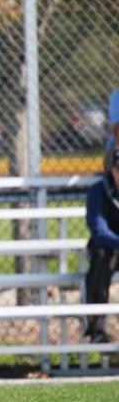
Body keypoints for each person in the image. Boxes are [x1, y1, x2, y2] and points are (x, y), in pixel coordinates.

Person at [84, 147, 119, 343]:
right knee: (101, 256)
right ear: (111, 169)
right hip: (109, 248)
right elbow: (99, 232)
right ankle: (96, 329)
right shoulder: (99, 191)